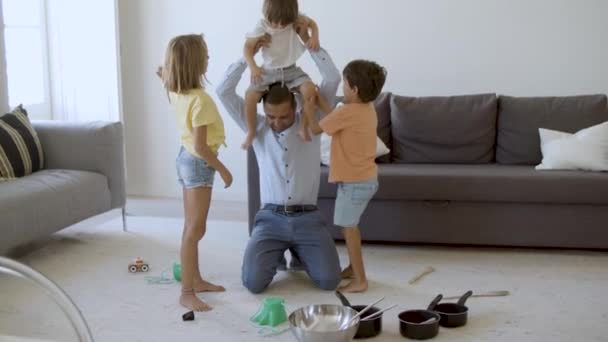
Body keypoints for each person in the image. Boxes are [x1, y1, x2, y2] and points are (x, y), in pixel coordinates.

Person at [216, 42, 342, 293]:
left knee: (329, 282)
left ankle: (298, 251)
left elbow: (332, 77)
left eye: (283, 117)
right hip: (270, 219)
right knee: (252, 284)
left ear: (295, 108)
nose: (276, 122)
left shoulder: (312, 119)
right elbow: (223, 91)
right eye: (271, 116)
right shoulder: (258, 127)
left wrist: (311, 45)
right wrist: (247, 57)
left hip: (307, 219)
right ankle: (274, 252)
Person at [159, 34, 233, 310]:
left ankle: (197, 280)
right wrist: (224, 170)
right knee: (194, 229)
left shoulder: (176, 91)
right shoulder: (201, 100)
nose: (209, 58)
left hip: (184, 158)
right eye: (205, 54)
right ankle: (187, 292)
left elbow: (162, 72)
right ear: (195, 63)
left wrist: (166, 72)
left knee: (192, 226)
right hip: (198, 162)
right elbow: (202, 147)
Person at [307, 60, 387, 293]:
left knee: (349, 228)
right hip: (364, 179)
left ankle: (360, 279)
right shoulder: (366, 108)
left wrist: (310, 105)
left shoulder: (350, 112)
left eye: (344, 83)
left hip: (355, 183)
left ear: (355, 90)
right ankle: (353, 269)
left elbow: (314, 128)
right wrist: (321, 99)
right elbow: (336, 116)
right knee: (348, 226)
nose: (342, 87)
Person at [241, 0, 320, 149]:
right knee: (250, 96)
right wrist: (253, 66)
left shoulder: (295, 18)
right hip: (268, 71)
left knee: (309, 90)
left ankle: (303, 127)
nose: (278, 26)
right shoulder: (262, 25)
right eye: (274, 22)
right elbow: (247, 47)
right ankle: (251, 132)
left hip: (291, 70)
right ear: (267, 15)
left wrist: (314, 36)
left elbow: (312, 24)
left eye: (283, 23)